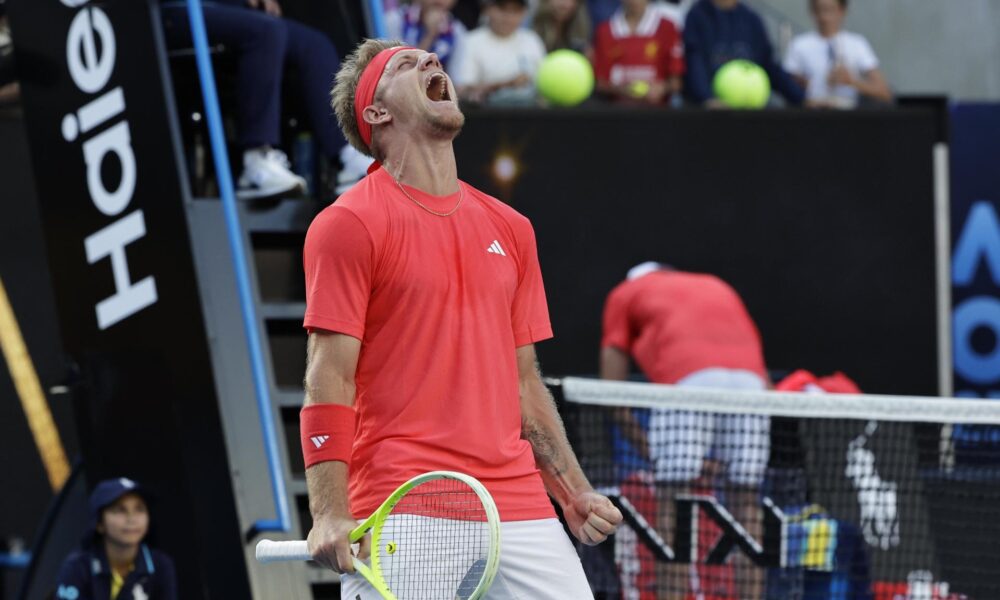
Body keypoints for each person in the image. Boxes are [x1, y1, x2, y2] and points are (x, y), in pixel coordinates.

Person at [300, 39, 622, 599]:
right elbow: (328, 377)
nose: (430, 62)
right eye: (405, 64)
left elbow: (524, 381)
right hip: (406, 501)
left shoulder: (511, 228)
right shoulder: (348, 224)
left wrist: (572, 491)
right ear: (375, 113)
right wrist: (330, 511)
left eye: (430, 58)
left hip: (519, 505)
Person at [600, 262, 769, 600]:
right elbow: (762, 373)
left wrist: (654, 455)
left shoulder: (624, 293)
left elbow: (611, 395)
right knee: (746, 499)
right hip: (753, 385)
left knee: (672, 498)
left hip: (686, 379)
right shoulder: (715, 282)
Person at [160, 0, 365, 199]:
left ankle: (346, 155)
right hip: (178, 10)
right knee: (267, 31)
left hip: (234, 9)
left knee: (315, 45)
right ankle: (256, 162)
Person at [55, 478, 177, 600]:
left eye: (139, 509)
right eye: (120, 510)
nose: (132, 519)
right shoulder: (77, 567)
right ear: (99, 523)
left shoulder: (160, 565)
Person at [682, 0, 804, 107]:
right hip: (710, 117)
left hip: (749, 114)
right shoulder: (696, 16)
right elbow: (694, 61)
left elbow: (768, 64)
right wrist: (706, 99)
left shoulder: (751, 19)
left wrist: (801, 98)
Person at [783, 0, 892, 109]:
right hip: (811, 113)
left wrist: (851, 81)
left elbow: (883, 92)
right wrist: (800, 86)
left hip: (848, 115)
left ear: (842, 11)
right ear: (812, 11)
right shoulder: (799, 45)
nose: (824, 17)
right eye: (819, 9)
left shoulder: (857, 44)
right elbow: (786, 85)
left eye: (830, 9)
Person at [453, 0, 547, 106]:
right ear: (487, 9)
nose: (508, 17)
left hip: (531, 115)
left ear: (524, 13)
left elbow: (544, 90)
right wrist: (507, 84)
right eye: (502, 9)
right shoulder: (471, 41)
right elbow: (461, 91)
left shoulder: (532, 40)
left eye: (515, 11)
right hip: (485, 117)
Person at [592, 0, 685, 105]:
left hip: (657, 112)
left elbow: (676, 82)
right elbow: (599, 83)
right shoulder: (605, 31)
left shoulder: (668, 27)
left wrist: (662, 88)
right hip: (617, 113)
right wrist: (621, 89)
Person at [385, 0, 468, 74]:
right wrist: (430, 35)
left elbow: (456, 78)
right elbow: (397, 71)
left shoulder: (457, 31)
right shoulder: (395, 20)